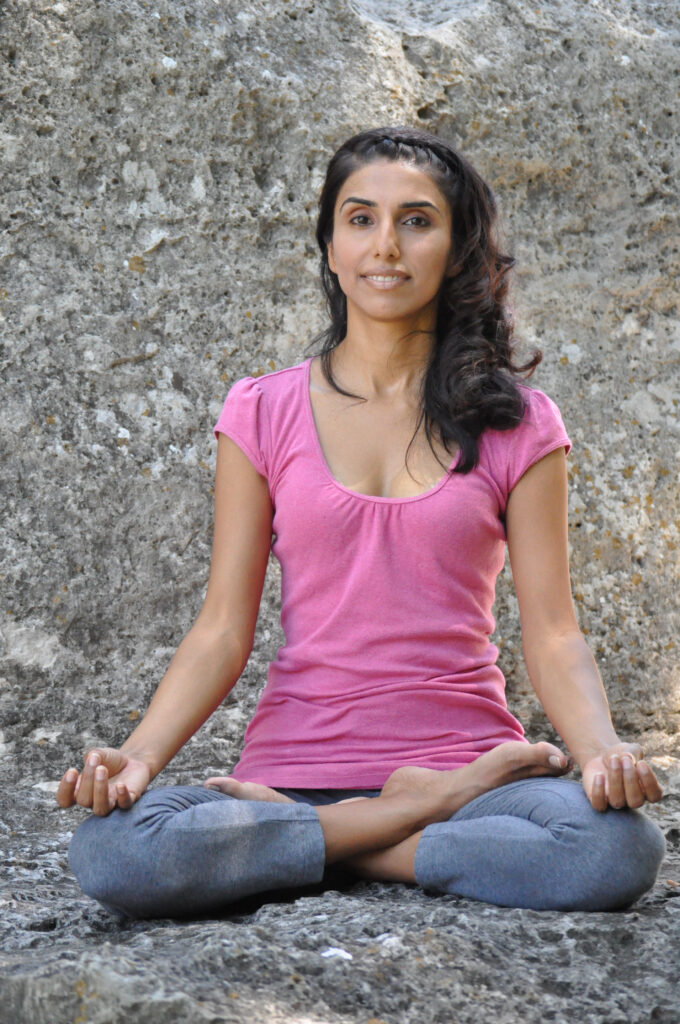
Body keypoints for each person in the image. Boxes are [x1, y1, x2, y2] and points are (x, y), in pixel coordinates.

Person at [58, 126, 666, 918]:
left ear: (456, 250)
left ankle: (331, 842)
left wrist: (601, 752)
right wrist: (138, 757)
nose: (386, 245)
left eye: (416, 220)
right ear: (331, 246)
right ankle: (400, 820)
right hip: (293, 773)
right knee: (111, 849)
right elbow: (222, 628)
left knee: (615, 848)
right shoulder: (262, 410)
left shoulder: (518, 423)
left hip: (469, 771)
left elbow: (553, 633)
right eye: (360, 219)